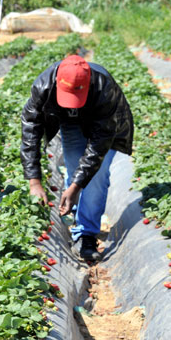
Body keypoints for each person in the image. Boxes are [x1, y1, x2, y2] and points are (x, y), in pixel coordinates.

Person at [21, 54, 133, 261]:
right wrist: (34, 182)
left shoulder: (103, 88)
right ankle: (76, 220)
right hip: (70, 124)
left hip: (104, 125)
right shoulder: (44, 87)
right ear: (57, 83)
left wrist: (76, 186)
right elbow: (30, 132)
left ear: (87, 83)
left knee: (96, 174)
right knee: (74, 170)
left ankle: (86, 234)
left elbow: (99, 144)